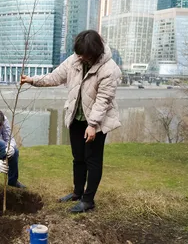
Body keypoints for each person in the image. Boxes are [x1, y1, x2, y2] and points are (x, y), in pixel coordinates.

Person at [21, 30, 122, 213]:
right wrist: (32, 80)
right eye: (79, 53)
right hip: (76, 117)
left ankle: (88, 200)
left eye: (85, 54)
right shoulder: (75, 59)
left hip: (96, 123)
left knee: (93, 160)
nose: (81, 57)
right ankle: (77, 193)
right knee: (78, 158)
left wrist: (93, 126)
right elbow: (55, 77)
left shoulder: (110, 69)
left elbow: (103, 100)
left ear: (95, 52)